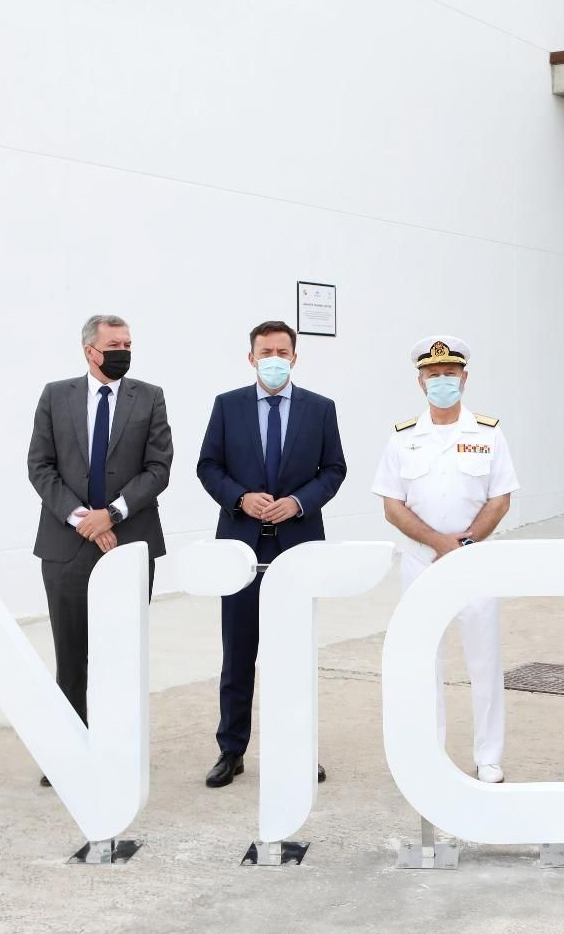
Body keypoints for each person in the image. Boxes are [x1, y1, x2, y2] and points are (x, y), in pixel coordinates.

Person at [197, 319, 347, 788]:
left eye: (282, 351)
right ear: (251, 357)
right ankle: (231, 750)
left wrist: (299, 502)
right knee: (238, 652)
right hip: (240, 549)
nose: (274, 359)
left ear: (295, 357)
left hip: (297, 547)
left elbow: (334, 469)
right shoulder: (227, 407)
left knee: (294, 653)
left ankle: (299, 747)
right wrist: (240, 497)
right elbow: (208, 466)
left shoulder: (320, 409)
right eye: (265, 352)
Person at [27, 314, 171, 786]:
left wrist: (111, 514)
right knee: (71, 654)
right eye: (115, 343)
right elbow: (40, 467)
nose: (123, 351)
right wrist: (82, 520)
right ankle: (71, 748)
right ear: (90, 350)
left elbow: (158, 469)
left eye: (128, 342)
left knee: (123, 653)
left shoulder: (149, 397)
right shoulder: (55, 395)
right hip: (65, 545)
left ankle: (120, 747)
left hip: (129, 541)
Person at [372, 336, 518, 783]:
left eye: (450, 375)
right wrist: (439, 543)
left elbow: (500, 499)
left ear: (465, 379)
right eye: (433, 376)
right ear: (420, 382)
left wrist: (464, 543)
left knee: (484, 662)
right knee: (422, 659)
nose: (442, 382)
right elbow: (392, 505)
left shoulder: (489, 433)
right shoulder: (402, 438)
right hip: (421, 563)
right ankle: (428, 752)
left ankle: (488, 755)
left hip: (473, 562)